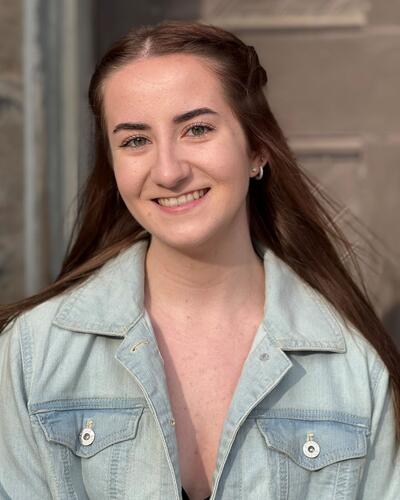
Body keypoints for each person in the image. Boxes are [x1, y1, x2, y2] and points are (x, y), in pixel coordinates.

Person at [0, 20, 399, 500]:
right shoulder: (32, 354)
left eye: (197, 129)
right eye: (135, 140)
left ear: (257, 149)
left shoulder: (356, 367)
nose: (169, 171)